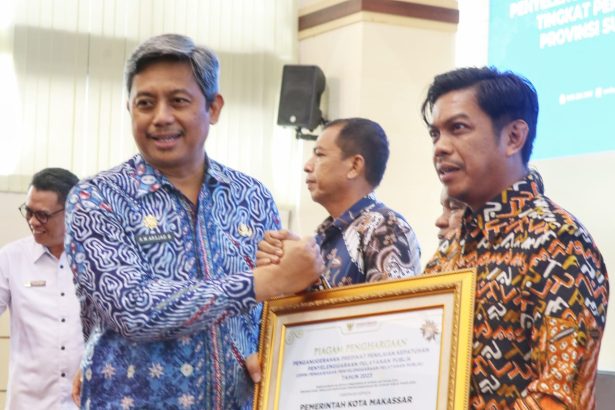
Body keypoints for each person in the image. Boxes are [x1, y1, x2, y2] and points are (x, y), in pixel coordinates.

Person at [64, 33, 323, 409]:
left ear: (213, 108)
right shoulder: (97, 198)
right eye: (145, 103)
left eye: (178, 101)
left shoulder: (250, 196)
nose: (161, 117)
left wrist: (267, 344)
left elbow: (266, 310)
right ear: (130, 109)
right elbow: (133, 308)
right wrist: (261, 282)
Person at [422, 66, 609, 409]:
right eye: (435, 134)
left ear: (513, 137)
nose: (440, 148)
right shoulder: (452, 247)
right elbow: (409, 352)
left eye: (457, 128)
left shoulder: (557, 243)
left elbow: (559, 395)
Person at [257, 118, 421, 287]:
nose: (307, 166)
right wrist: (293, 262)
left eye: (320, 155)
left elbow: (394, 302)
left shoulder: (386, 227)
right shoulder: (323, 235)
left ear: (354, 166)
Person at [0, 168, 83, 410]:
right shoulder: (11, 258)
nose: (33, 221)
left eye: (43, 215)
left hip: (87, 400)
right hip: (29, 402)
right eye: (28, 211)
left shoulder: (99, 261)